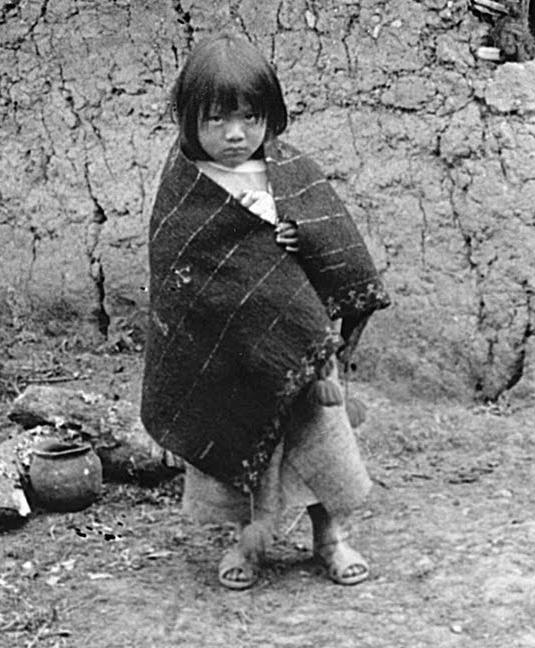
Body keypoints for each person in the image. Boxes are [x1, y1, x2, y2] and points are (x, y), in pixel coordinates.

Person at [140, 33, 390, 590]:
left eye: (250, 118)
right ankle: (249, 541)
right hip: (228, 355)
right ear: (188, 122)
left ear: (271, 115)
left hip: (300, 348)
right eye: (216, 120)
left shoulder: (292, 170)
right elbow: (180, 270)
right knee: (242, 440)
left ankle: (331, 538)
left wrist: (301, 241)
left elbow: (335, 248)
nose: (235, 134)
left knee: (319, 445)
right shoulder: (185, 187)